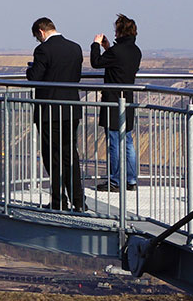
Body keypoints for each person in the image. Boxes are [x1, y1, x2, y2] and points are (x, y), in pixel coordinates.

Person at [28, 17, 85, 211]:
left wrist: (30, 70)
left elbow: (35, 78)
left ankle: (59, 201)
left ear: (41, 32)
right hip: (71, 109)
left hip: (49, 111)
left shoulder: (43, 50)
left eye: (37, 37)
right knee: (70, 155)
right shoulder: (75, 48)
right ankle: (79, 201)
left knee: (52, 157)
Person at [90, 14, 142, 192]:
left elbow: (96, 63)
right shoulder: (135, 51)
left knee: (114, 142)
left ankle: (114, 181)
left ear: (119, 31)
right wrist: (108, 48)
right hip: (127, 100)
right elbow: (117, 62)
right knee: (127, 141)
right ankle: (131, 180)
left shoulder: (117, 51)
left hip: (113, 101)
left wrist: (96, 45)